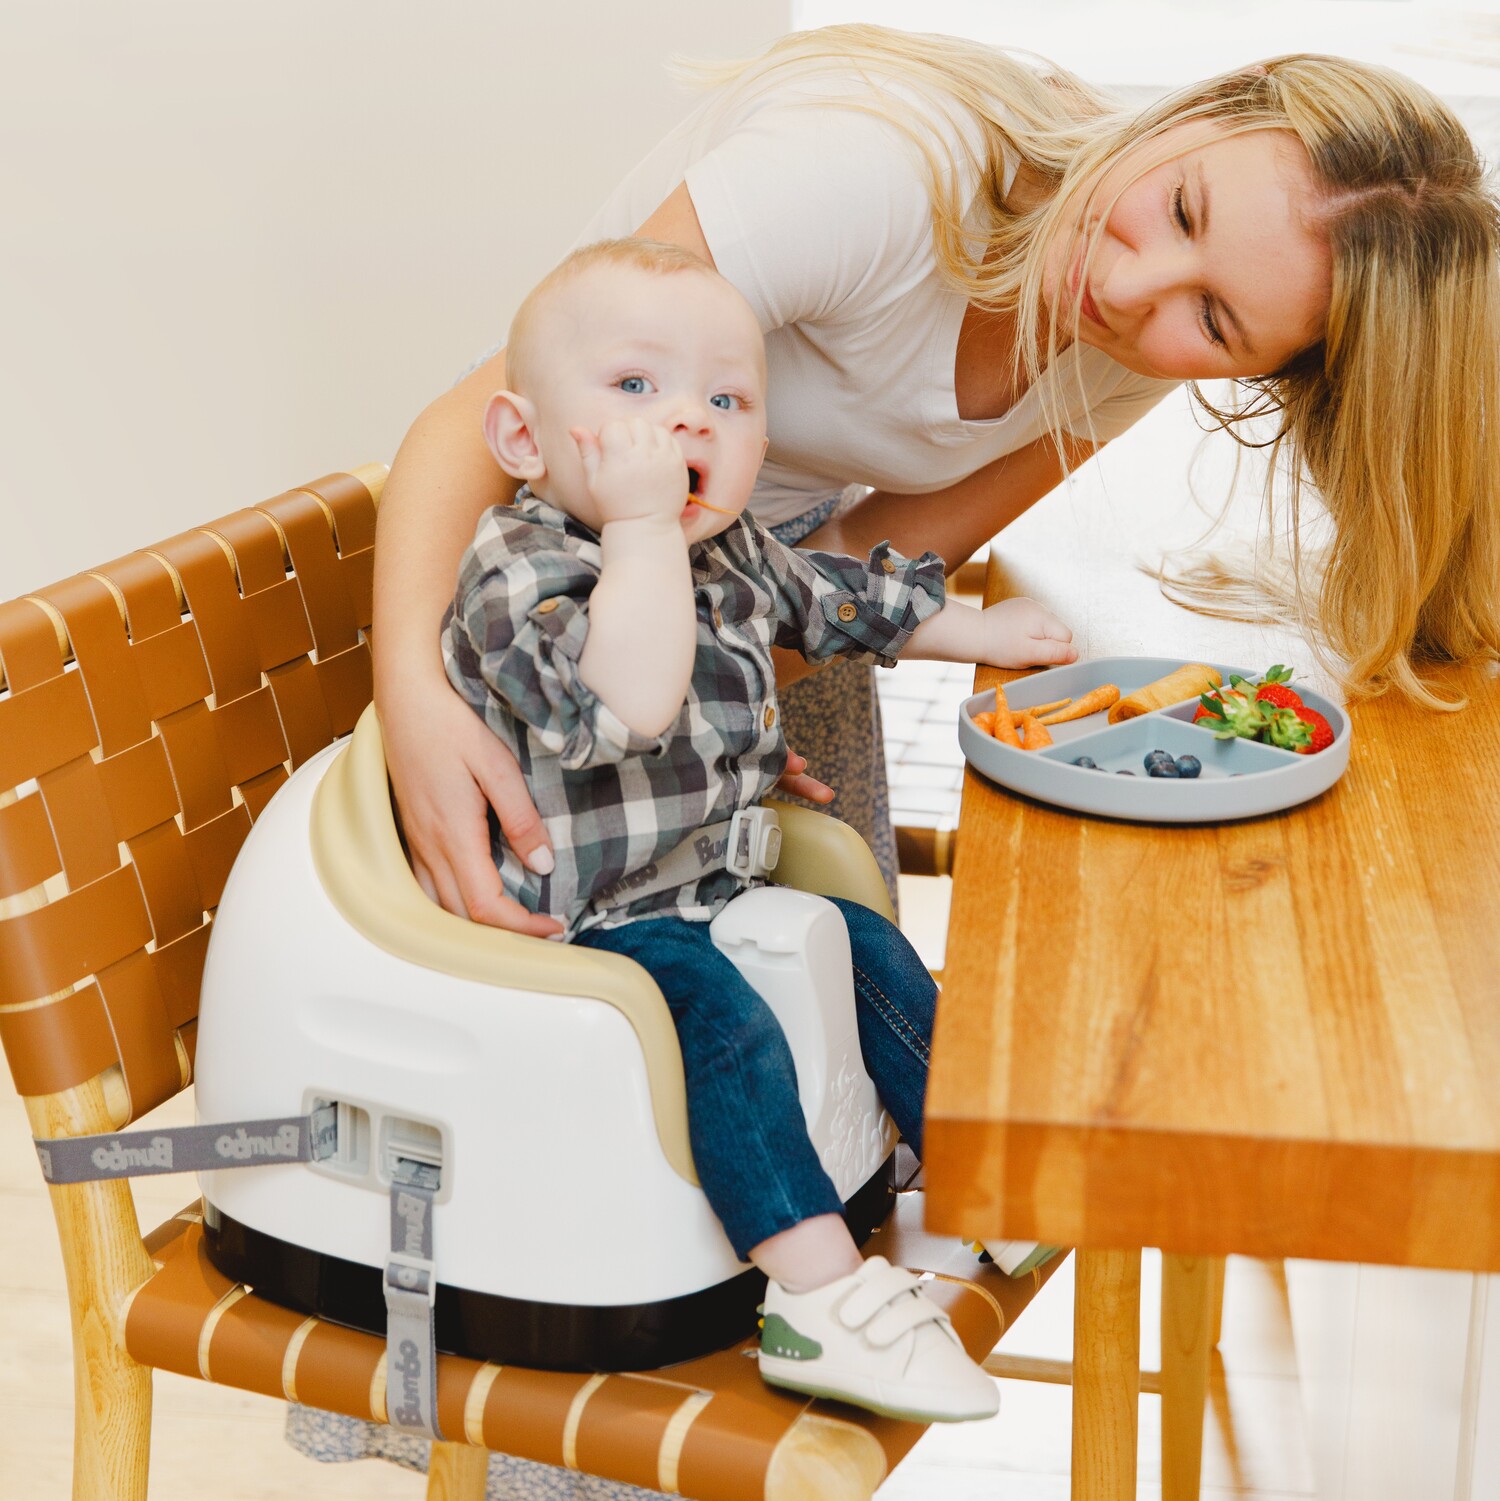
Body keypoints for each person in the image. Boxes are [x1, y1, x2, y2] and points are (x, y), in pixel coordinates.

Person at [371, 26, 1500, 944]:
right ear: (1218, 98)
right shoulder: (872, 171)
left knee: (849, 1024)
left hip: (752, 597)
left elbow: (874, 551)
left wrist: (712, 699)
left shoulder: (1132, 356)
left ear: (1272, 372)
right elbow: (461, 429)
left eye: (1213, 319)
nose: (1127, 285)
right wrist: (422, 704)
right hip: (521, 586)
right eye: (1185, 208)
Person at [440, 235, 1073, 1421]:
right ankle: (819, 1298)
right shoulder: (515, 570)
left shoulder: (724, 547)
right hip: (587, 929)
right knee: (724, 1025)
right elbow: (626, 704)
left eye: (725, 401)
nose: (686, 424)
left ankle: (984, 1177)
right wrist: (637, 530)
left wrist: (974, 636)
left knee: (878, 955)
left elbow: (834, 601)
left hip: (720, 883)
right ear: (525, 439)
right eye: (635, 391)